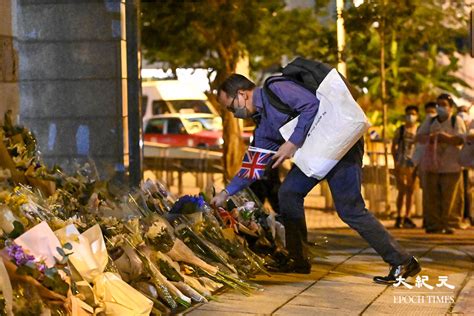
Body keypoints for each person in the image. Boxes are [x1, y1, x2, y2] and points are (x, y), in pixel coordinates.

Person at [211, 73, 420, 284]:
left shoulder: (276, 88)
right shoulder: (264, 127)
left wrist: (293, 142)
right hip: (316, 155)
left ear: (242, 94)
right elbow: (253, 167)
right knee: (289, 193)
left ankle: (402, 260)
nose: (233, 113)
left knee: (350, 210)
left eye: (230, 107)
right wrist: (225, 193)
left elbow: (311, 105)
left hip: (341, 146)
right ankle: (298, 259)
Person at [416, 93, 466, 234]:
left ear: (451, 108)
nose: (440, 108)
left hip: (451, 165)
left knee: (450, 196)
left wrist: (444, 137)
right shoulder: (430, 121)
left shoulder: (457, 121)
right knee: (431, 195)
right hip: (432, 164)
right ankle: (433, 224)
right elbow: (419, 137)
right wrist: (431, 137)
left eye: (444, 105)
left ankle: (450, 223)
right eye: (438, 105)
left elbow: (460, 139)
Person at [391, 105, 419, 228]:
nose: (410, 116)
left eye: (413, 113)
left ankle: (408, 216)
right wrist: (395, 161)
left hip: (414, 164)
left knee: (411, 191)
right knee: (401, 191)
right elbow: (394, 146)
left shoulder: (419, 130)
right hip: (401, 163)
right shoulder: (401, 130)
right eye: (408, 113)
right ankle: (399, 215)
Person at [457, 105, 472, 227]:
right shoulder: (456, 125)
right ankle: (463, 216)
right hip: (460, 164)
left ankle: (468, 215)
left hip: (469, 165)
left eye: (465, 111)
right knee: (462, 191)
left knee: (467, 191)